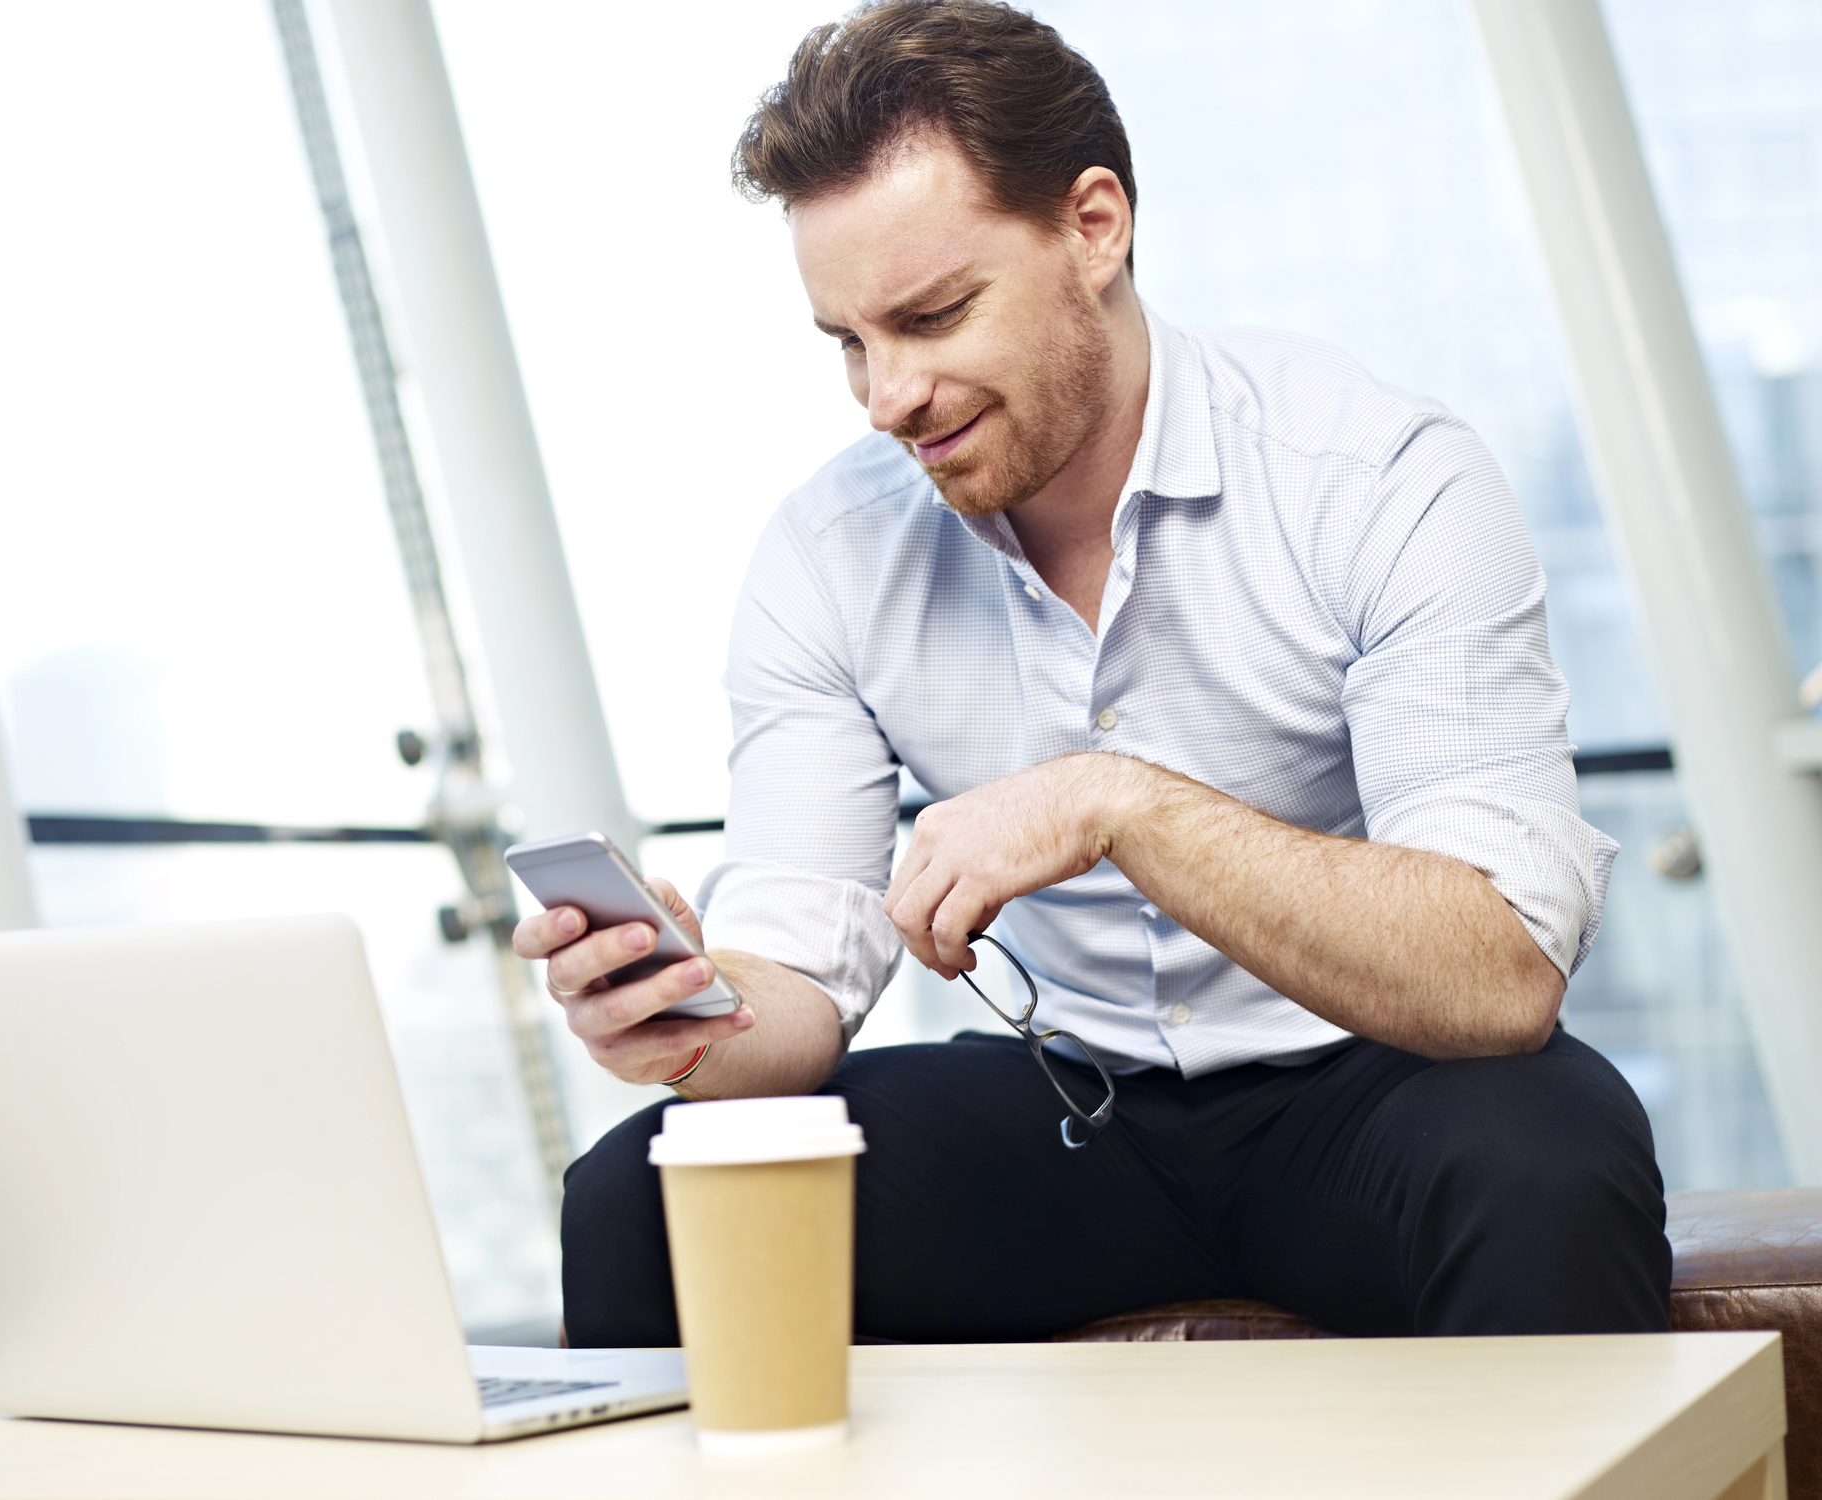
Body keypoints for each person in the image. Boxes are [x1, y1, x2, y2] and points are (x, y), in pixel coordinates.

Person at [516, 0, 1670, 1345]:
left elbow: (1502, 973)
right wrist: (687, 1017)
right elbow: (798, 995)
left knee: (1545, 1156)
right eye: (847, 341)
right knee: (639, 1196)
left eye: (934, 315)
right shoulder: (828, 556)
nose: (888, 395)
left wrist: (1120, 802)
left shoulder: (1380, 478)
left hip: (1379, 1089)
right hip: (1069, 1112)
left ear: (1094, 227)